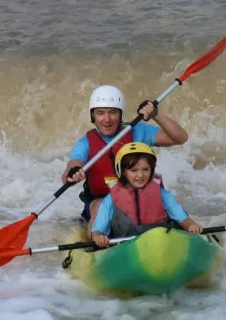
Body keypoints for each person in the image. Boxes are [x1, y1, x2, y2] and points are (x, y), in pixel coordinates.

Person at [62, 85, 189, 228]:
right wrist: (74, 173)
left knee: (163, 203)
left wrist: (156, 115)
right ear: (93, 116)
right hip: (103, 200)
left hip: (142, 195)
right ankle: (96, 243)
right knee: (98, 206)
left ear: (120, 114)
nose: (107, 119)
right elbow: (71, 168)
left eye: (113, 112)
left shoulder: (137, 131)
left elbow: (180, 138)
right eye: (100, 113)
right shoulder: (85, 143)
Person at [90, 142, 203, 248]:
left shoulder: (163, 195)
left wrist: (191, 226)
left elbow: (183, 219)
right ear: (123, 172)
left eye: (146, 169)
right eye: (134, 170)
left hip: (161, 244)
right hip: (125, 247)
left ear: (152, 170)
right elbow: (98, 230)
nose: (140, 175)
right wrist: (98, 237)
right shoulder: (110, 200)